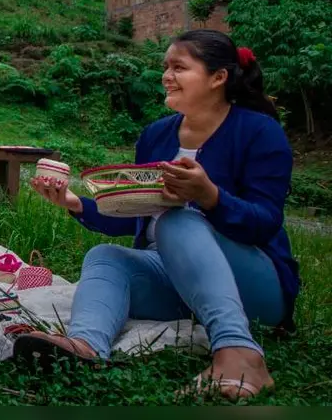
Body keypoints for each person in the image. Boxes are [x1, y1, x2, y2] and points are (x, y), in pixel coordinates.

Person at [17, 29, 298, 401]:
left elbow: (265, 222)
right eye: (165, 66)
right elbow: (137, 215)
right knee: (105, 256)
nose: (166, 75)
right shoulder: (156, 135)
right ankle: (85, 347)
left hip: (255, 287)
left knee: (176, 219)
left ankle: (240, 354)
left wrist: (210, 196)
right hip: (180, 282)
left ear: (218, 77)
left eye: (179, 67)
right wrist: (74, 202)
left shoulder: (259, 131)